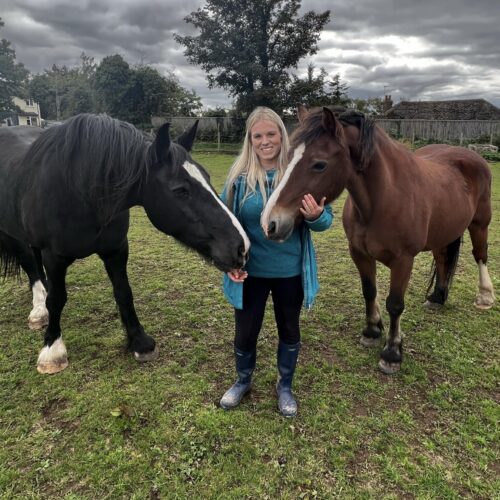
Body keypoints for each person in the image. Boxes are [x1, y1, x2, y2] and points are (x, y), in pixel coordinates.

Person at [220, 106, 333, 417]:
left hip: (289, 272)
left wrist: (317, 216)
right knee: (245, 332)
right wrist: (228, 263)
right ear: (250, 140)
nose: (265, 141)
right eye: (258, 136)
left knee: (289, 330)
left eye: (271, 134)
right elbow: (222, 225)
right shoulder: (238, 179)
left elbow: (326, 223)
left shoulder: (299, 173)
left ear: (282, 136)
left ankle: (285, 386)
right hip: (250, 273)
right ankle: (243, 381)